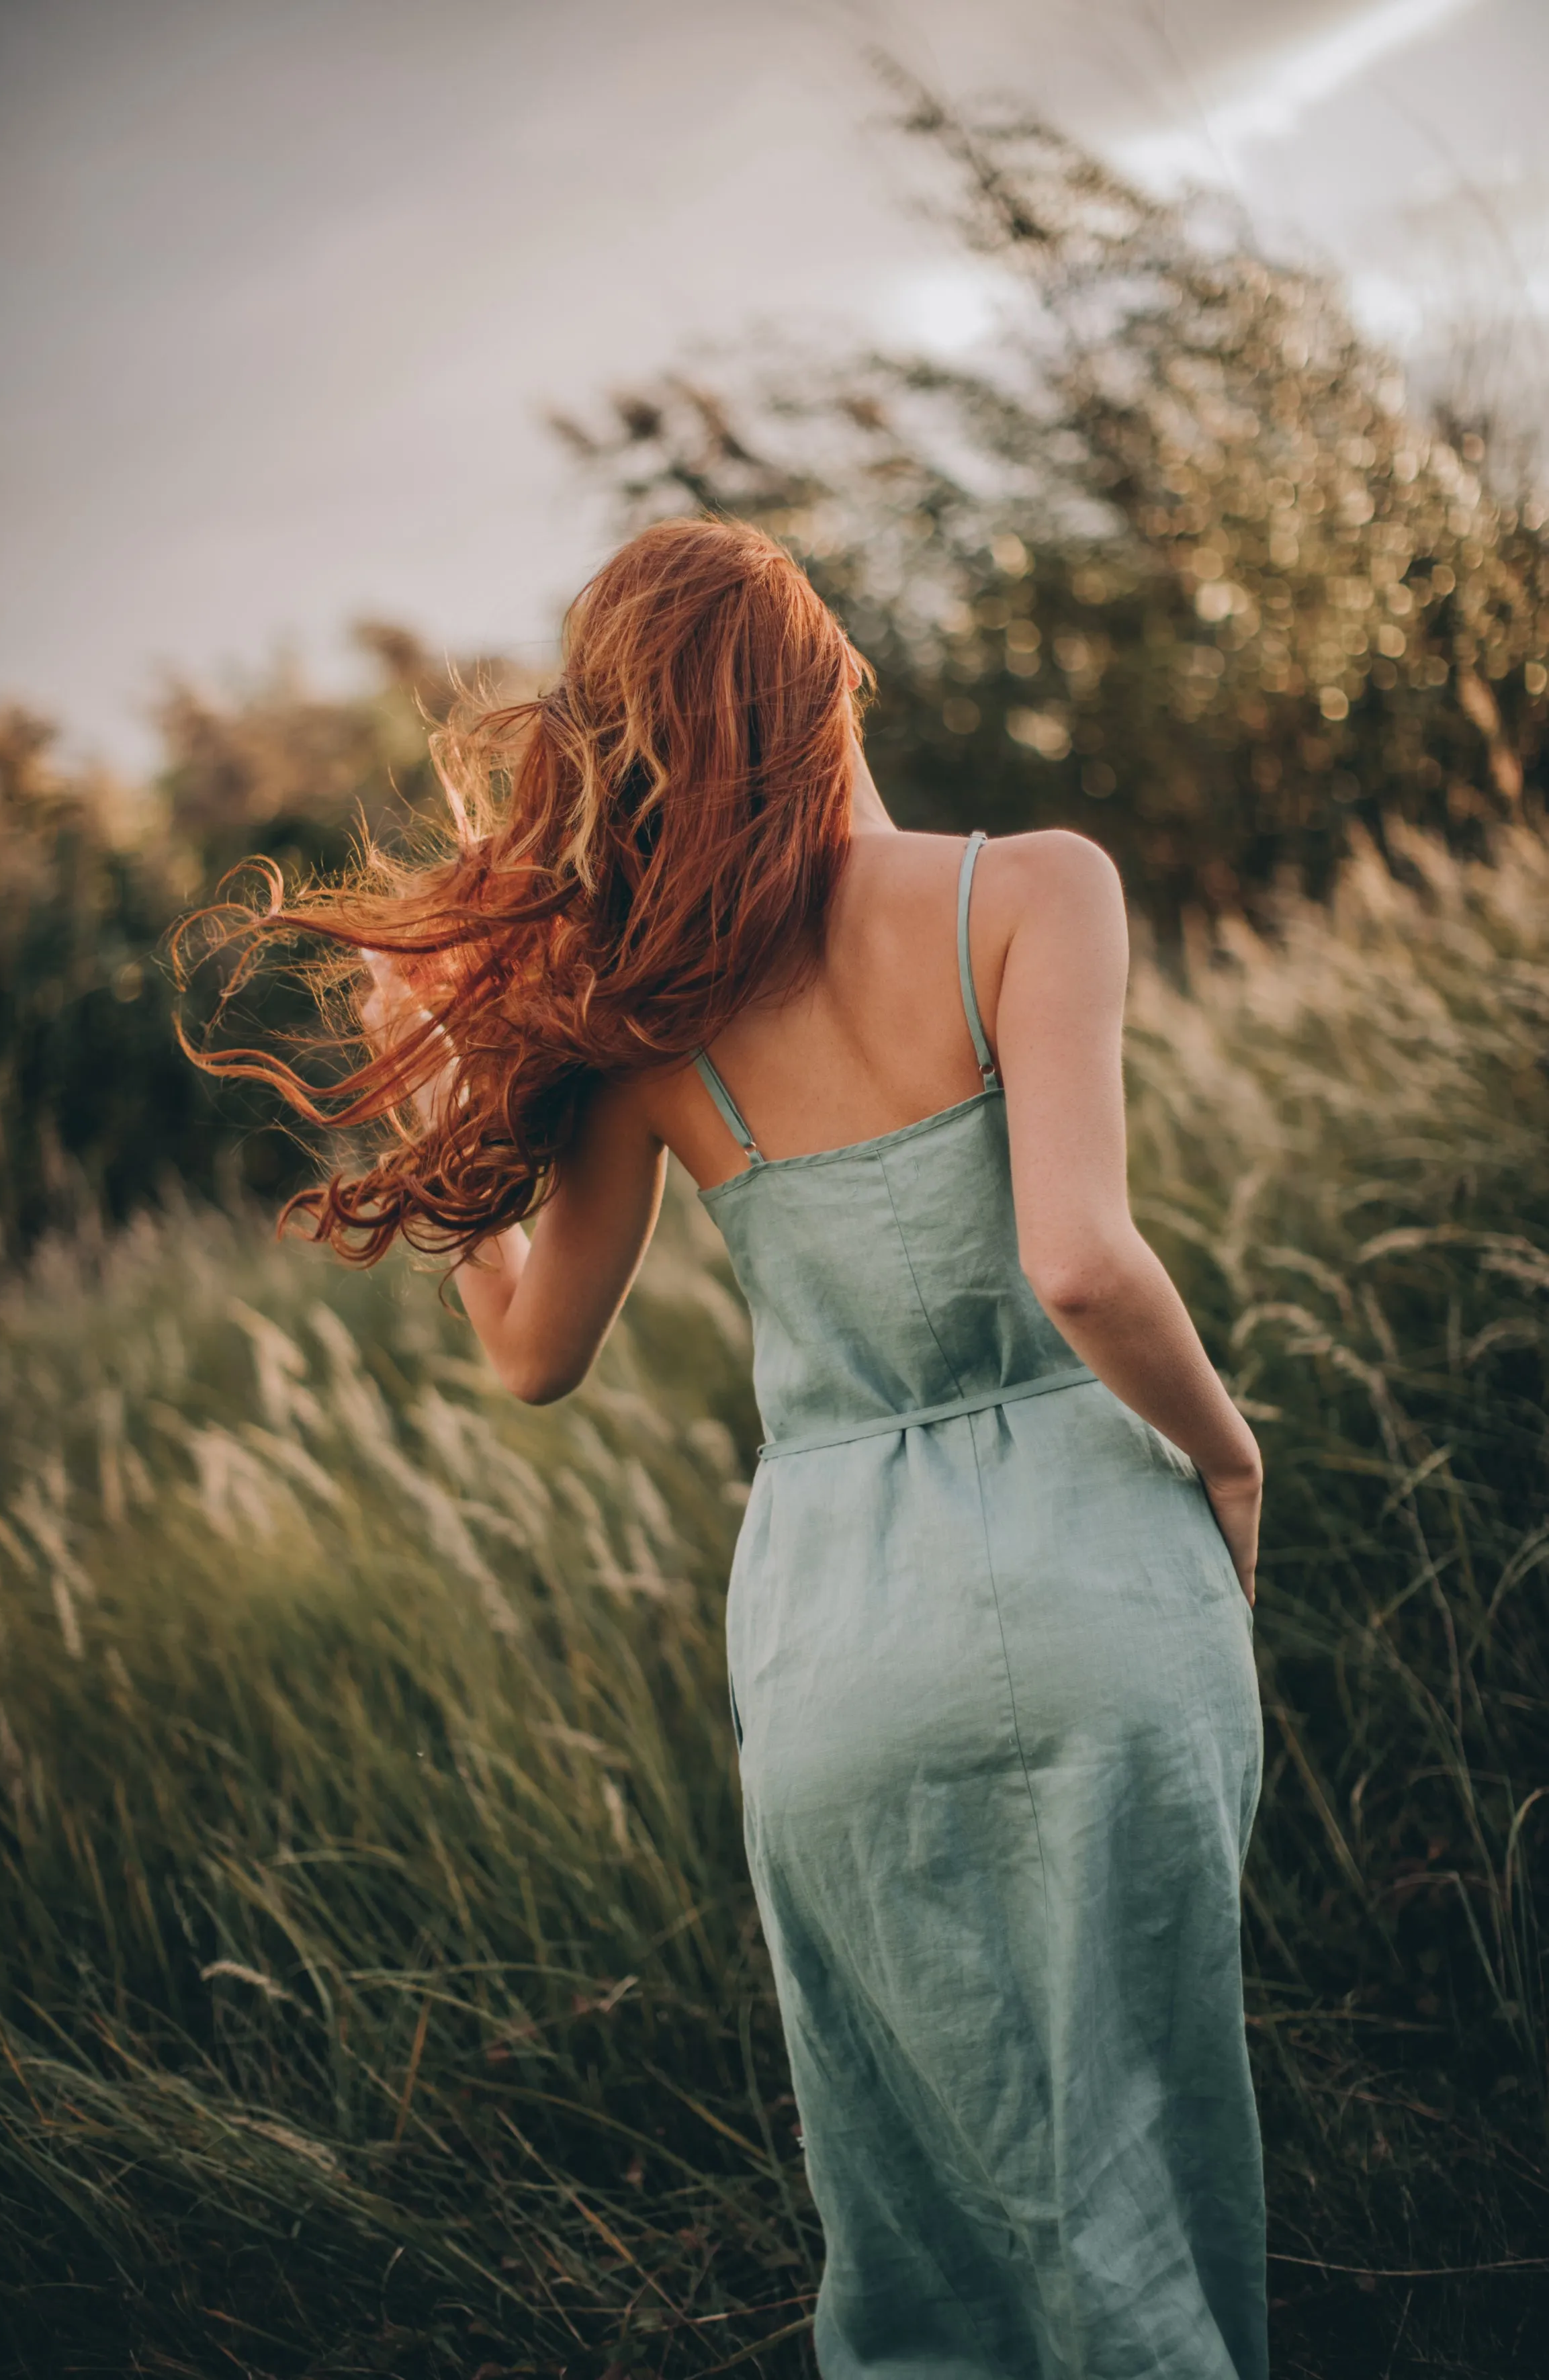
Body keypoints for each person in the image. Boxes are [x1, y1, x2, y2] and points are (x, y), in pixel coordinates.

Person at [196, 515, 1267, 2379]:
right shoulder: (1032, 890)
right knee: (1139, 2150)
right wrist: (1229, 1460)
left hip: (838, 1650)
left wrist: (449, 1116)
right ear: (827, 668)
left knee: (923, 2220)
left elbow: (535, 1356)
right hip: (1098, 1579)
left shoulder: (642, 1031)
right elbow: (1082, 1259)